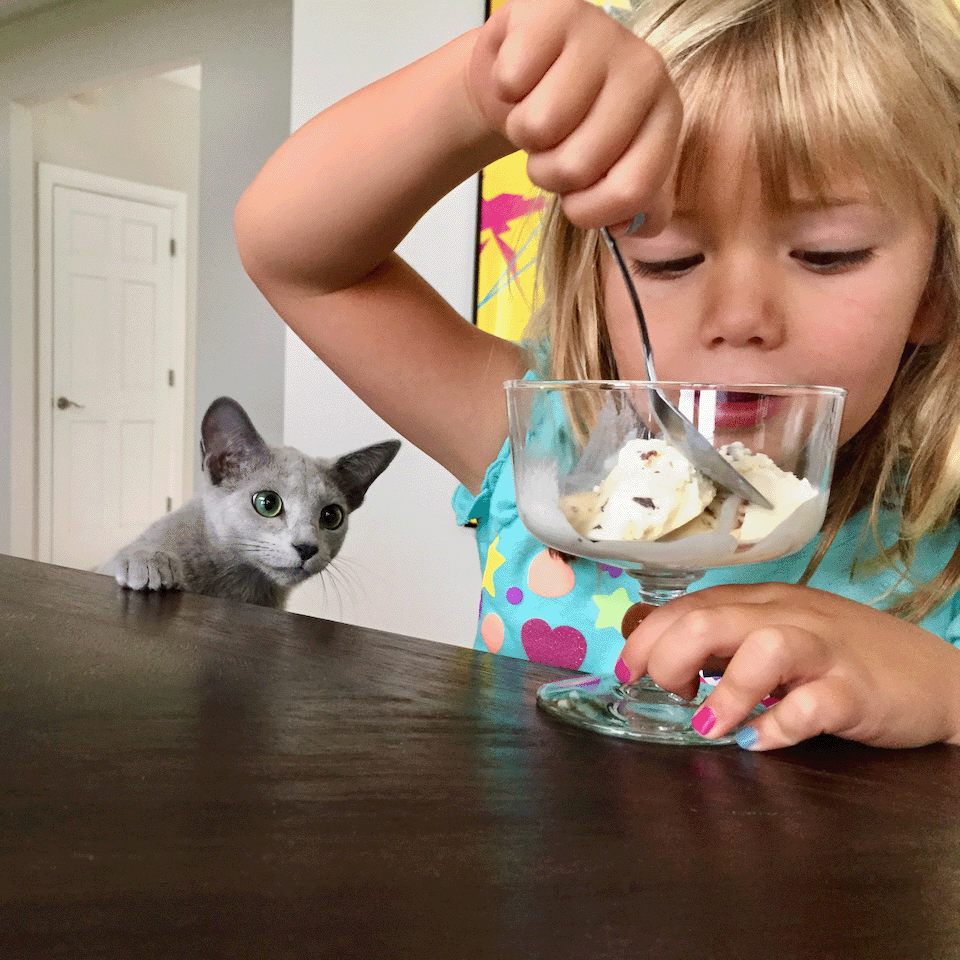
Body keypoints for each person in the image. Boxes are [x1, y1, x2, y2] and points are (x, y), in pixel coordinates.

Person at [234, 0, 960, 751]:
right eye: (669, 259)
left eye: (827, 253)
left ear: (934, 289)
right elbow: (294, 256)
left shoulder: (942, 531)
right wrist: (488, 89)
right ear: (597, 284)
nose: (741, 315)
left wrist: (947, 694)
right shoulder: (548, 453)